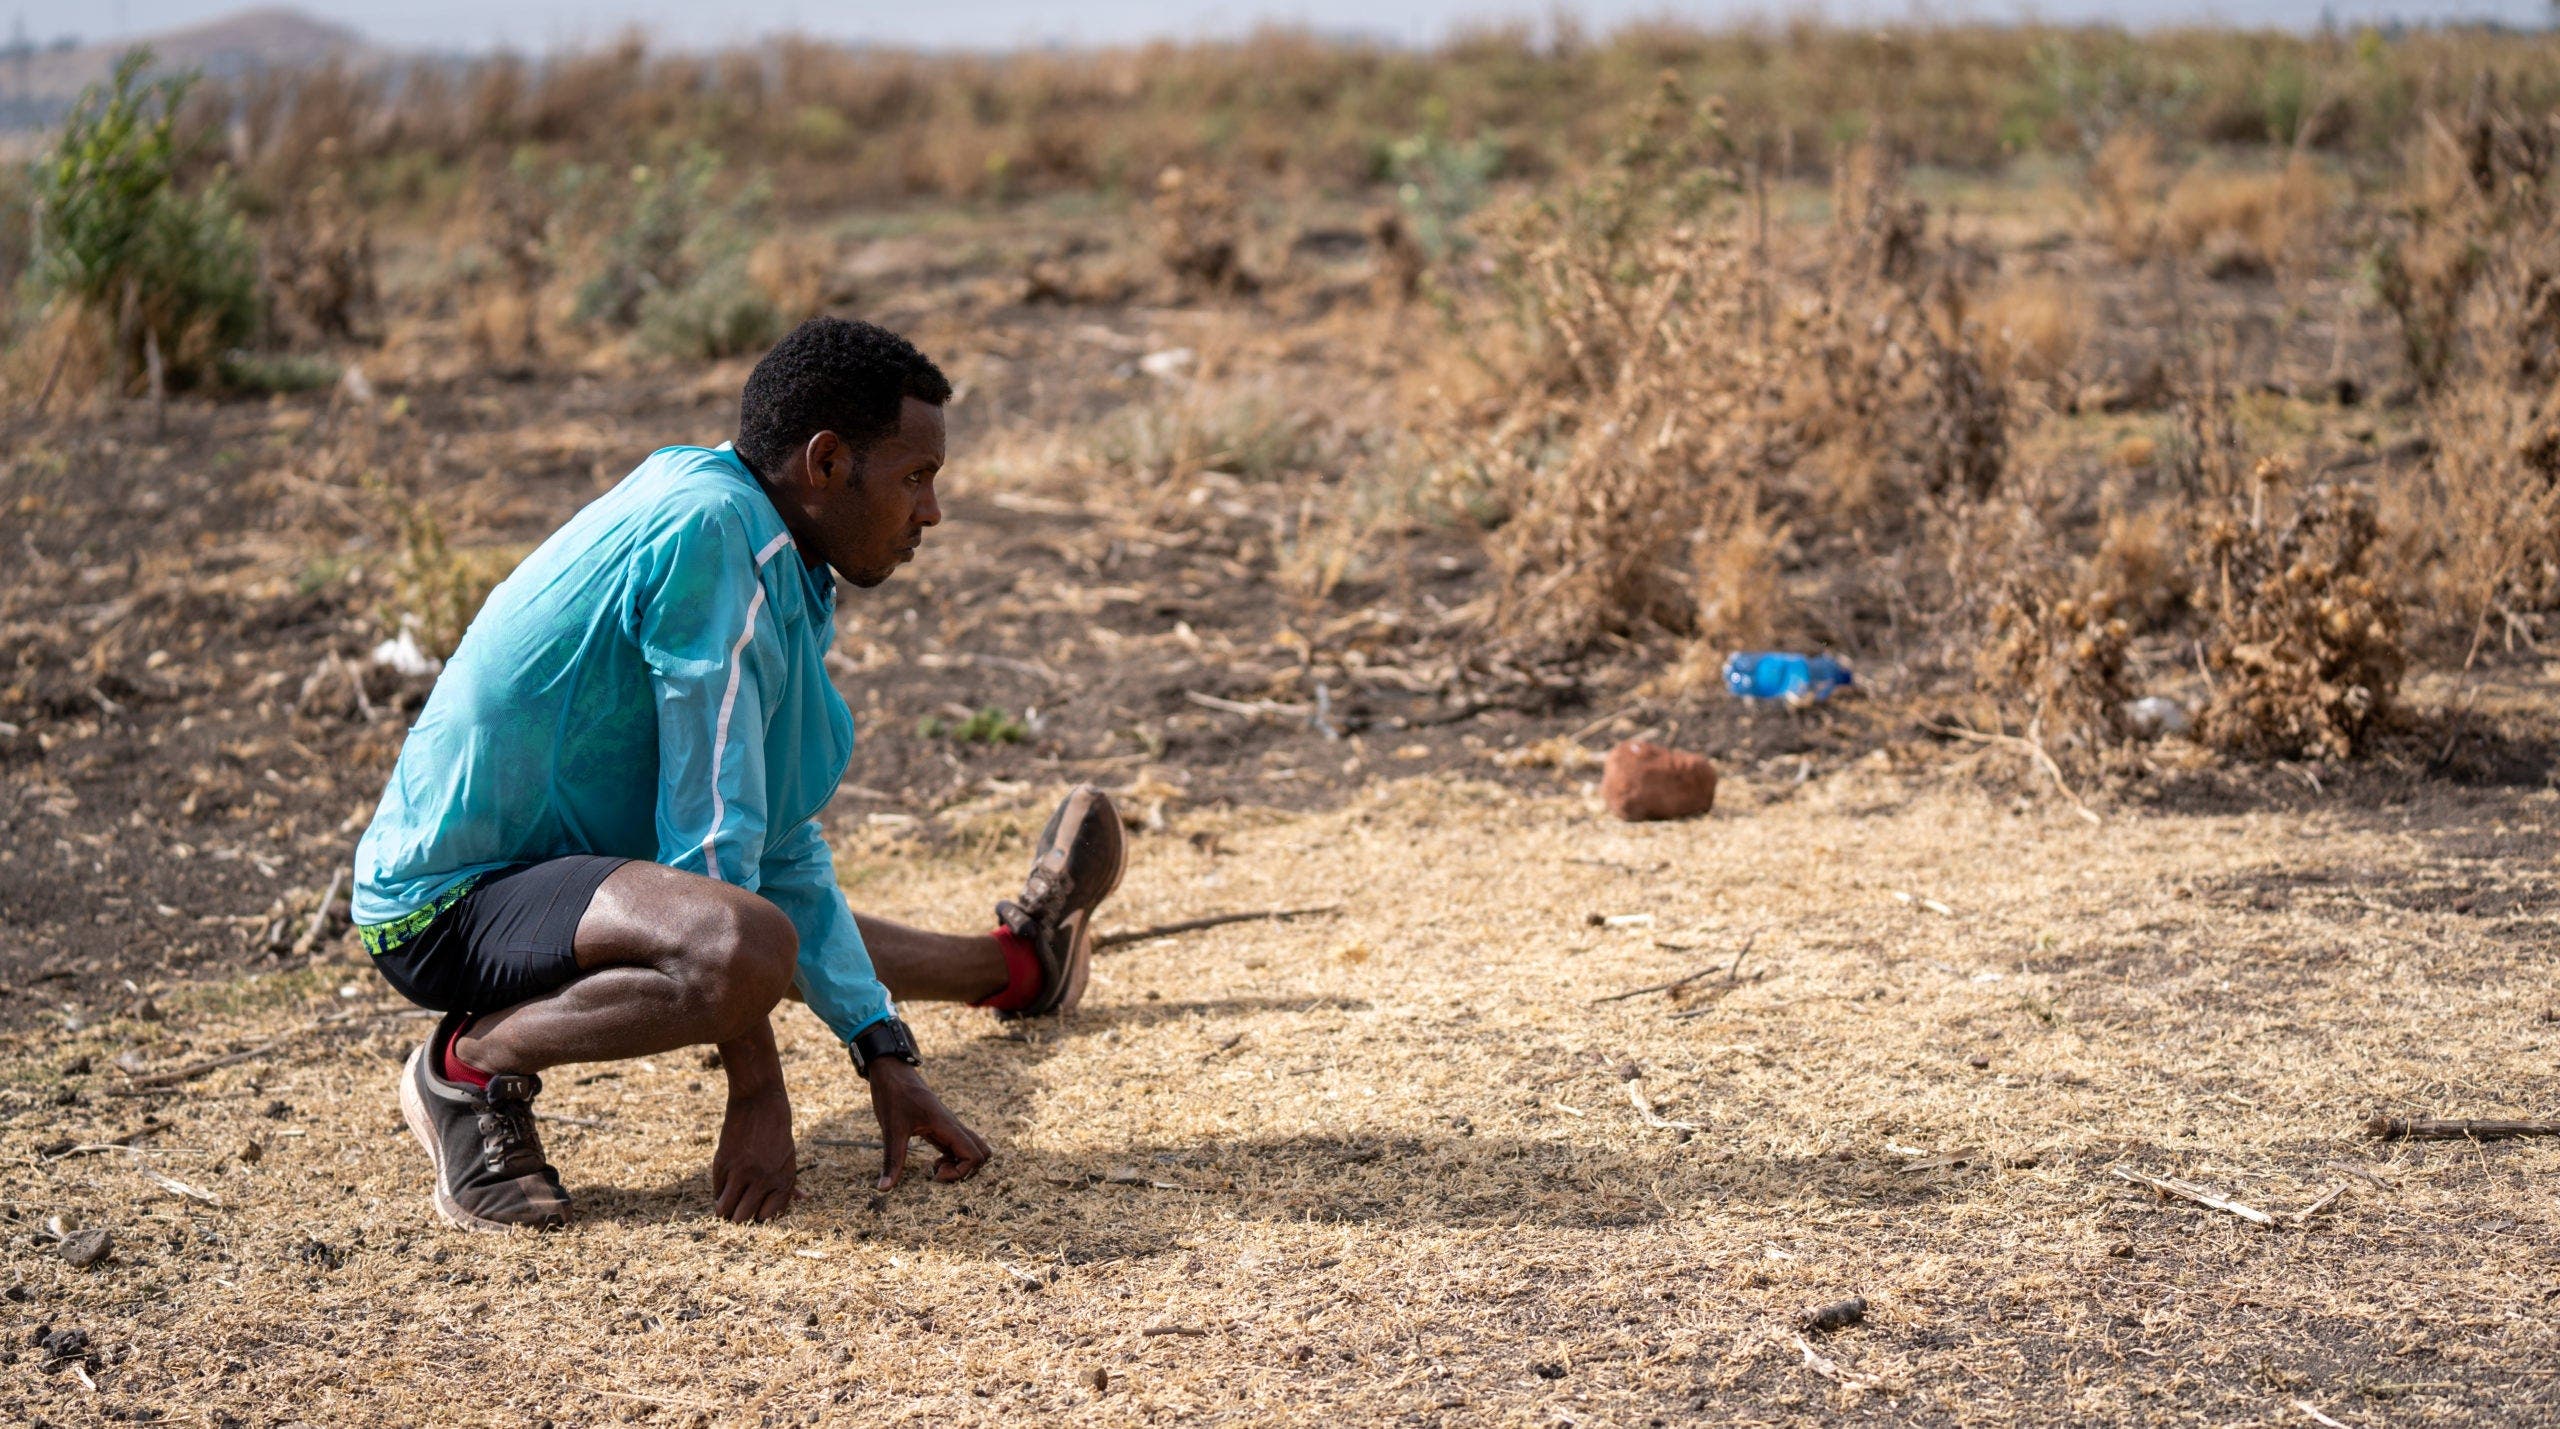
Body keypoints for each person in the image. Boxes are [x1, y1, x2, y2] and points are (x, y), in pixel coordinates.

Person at [349, 317, 1123, 1229]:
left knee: (757, 920)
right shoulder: (714, 534)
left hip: (564, 879)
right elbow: (716, 868)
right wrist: (758, 1088)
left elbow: (778, 847)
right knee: (739, 941)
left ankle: (1021, 966)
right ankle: (468, 1069)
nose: (931, 513)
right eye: (916, 479)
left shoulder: (769, 544)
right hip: (448, 903)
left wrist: (884, 1051)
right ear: (826, 464)